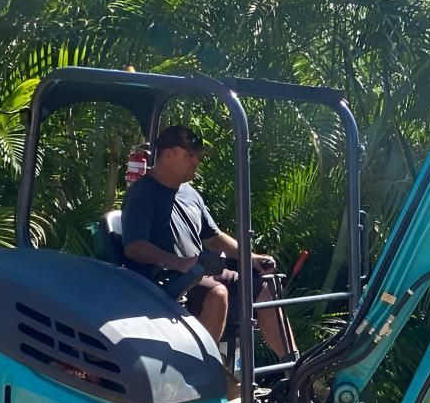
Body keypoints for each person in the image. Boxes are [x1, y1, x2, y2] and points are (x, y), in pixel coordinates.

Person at [120, 125, 297, 360]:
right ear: (169, 154)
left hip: (198, 273)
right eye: (190, 155)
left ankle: (294, 368)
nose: (197, 161)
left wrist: (251, 258)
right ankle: (204, 374)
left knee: (264, 285)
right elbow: (134, 247)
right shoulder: (143, 193)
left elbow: (213, 238)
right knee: (218, 292)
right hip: (161, 282)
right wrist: (179, 263)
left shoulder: (189, 193)